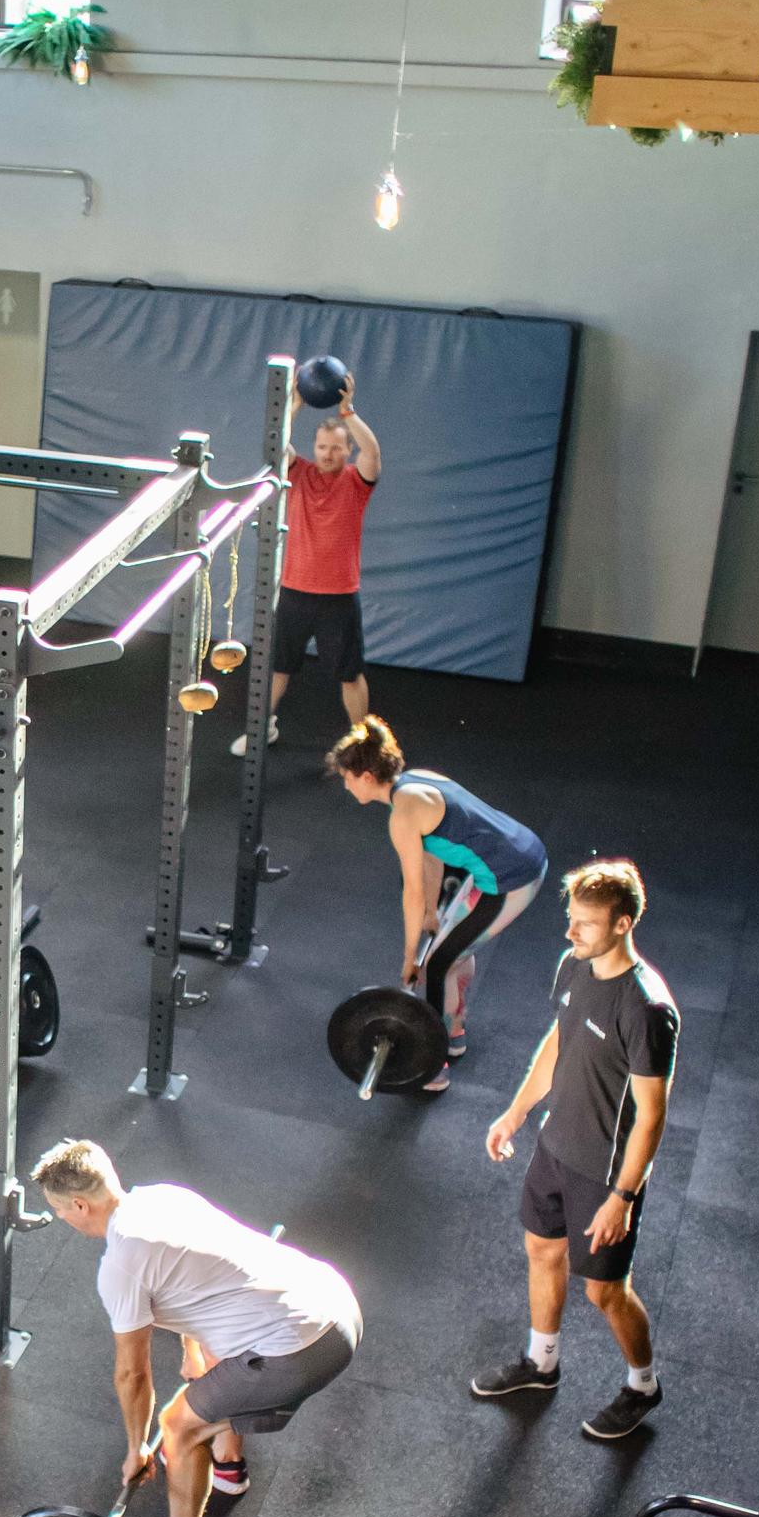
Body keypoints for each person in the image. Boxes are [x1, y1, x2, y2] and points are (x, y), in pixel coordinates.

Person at [31, 1140, 361, 1517]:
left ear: (80, 1204)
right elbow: (201, 1278)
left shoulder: (121, 1266)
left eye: (61, 1211)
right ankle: (227, 1464)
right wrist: (192, 1351)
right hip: (335, 1300)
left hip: (301, 1349)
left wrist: (135, 1449)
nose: (63, 1220)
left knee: (177, 1426)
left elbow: (133, 1372)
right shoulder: (162, 1197)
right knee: (211, 1365)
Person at [472, 859, 678, 1440]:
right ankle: (541, 1364)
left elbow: (653, 1115)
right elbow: (559, 1040)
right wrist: (517, 1112)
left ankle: (643, 1385)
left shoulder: (646, 1008)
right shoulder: (573, 966)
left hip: (604, 1171)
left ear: (622, 923)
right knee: (541, 1248)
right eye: (571, 919)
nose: (571, 933)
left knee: (606, 1291)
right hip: (554, 1147)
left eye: (585, 924)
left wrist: (623, 1196)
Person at [327, 716, 548, 1088]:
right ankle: (455, 1032)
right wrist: (432, 912)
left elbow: (410, 891)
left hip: (509, 879)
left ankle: (433, 1064)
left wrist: (410, 957)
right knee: (452, 946)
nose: (346, 787)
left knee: (437, 963)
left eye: (347, 778)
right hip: (518, 855)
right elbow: (432, 858)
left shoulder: (402, 816)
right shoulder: (418, 781)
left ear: (365, 776)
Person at [233, 370, 380, 752]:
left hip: (339, 597)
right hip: (296, 591)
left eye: (336, 448)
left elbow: (373, 454)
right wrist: (295, 406)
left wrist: (348, 412)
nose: (329, 453)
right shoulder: (299, 475)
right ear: (314, 448)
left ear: (347, 451)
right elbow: (275, 448)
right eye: (323, 447)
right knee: (277, 667)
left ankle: (363, 741)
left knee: (350, 674)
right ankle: (261, 727)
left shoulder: (356, 482)